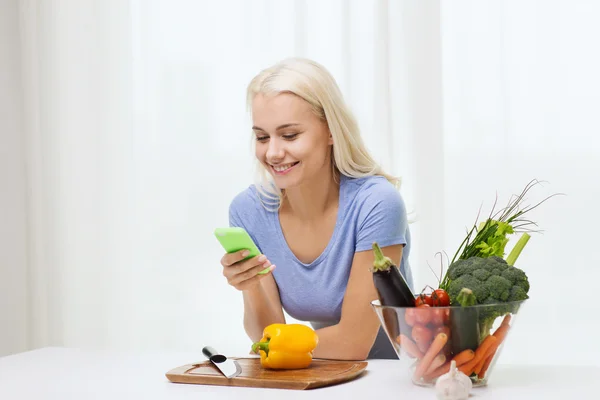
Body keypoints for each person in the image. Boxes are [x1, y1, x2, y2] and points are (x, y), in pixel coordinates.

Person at [220, 57, 414, 360]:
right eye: (261, 137)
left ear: (331, 131)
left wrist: (274, 347)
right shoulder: (249, 211)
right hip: (317, 375)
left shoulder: (376, 203)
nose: (272, 152)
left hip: (398, 375)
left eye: (289, 135)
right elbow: (267, 337)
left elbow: (353, 343)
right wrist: (251, 284)